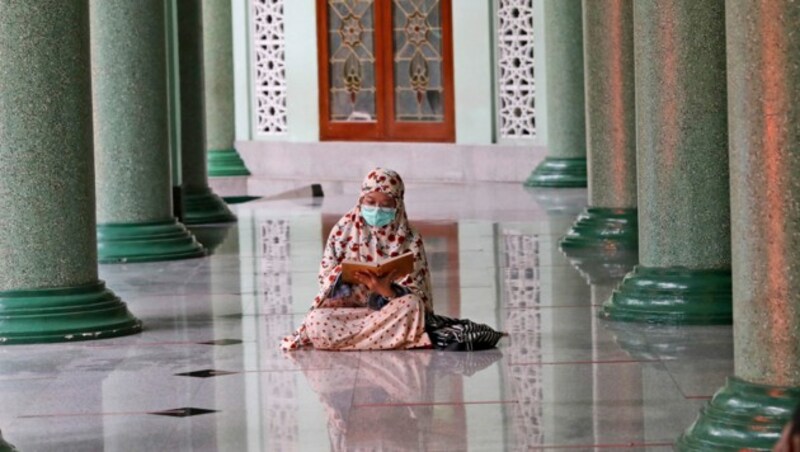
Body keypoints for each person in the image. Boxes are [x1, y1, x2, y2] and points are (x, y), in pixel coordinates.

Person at [281, 168, 505, 351]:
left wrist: (385, 290)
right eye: (370, 201)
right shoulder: (343, 230)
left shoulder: (409, 238)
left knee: (411, 306)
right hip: (350, 312)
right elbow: (324, 278)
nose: (377, 210)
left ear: (398, 204)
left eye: (386, 204)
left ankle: (354, 342)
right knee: (316, 322)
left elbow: (418, 294)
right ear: (361, 199)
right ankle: (396, 339)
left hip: (390, 312)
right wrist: (349, 279)